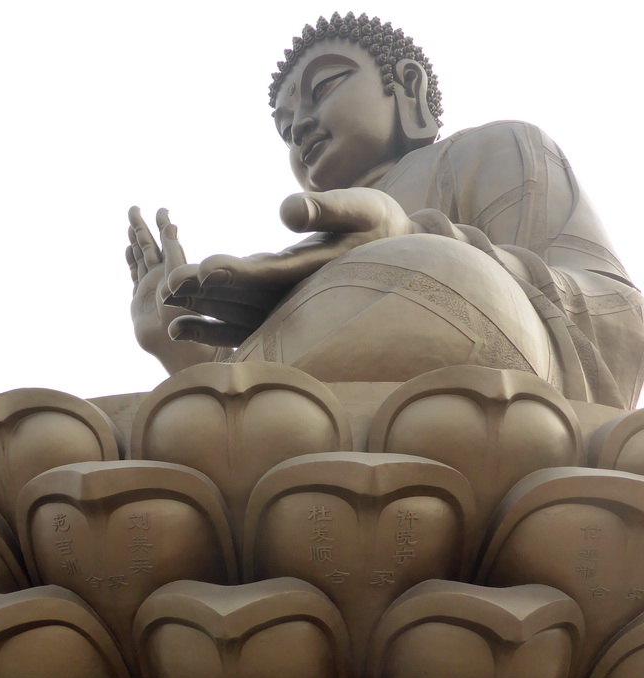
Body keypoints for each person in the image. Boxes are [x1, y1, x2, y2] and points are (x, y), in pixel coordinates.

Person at [128, 13, 644, 409]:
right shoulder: (309, 248)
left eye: (324, 88)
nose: (302, 126)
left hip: (499, 378)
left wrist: (411, 240)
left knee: (435, 271)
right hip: (307, 415)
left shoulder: (495, 148)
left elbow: (621, 317)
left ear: (408, 87)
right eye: (286, 128)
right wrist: (189, 354)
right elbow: (289, 361)